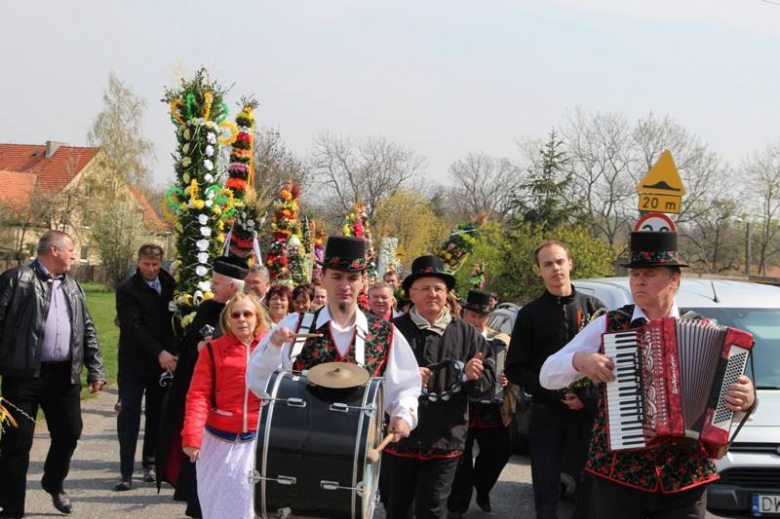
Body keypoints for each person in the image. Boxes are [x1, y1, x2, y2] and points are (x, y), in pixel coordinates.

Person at [539, 231, 756, 519]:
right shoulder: (610, 324)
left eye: (649, 274)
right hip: (620, 481)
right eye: (635, 274)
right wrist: (580, 360)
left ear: (674, 281)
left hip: (685, 484)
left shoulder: (710, 333)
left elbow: (734, 412)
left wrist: (747, 400)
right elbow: (547, 374)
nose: (638, 280)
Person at [246, 235, 422, 478]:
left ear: (364, 282)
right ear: (323, 278)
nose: (345, 285)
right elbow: (257, 383)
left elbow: (406, 385)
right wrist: (274, 347)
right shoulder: (295, 325)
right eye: (337, 277)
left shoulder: (384, 333)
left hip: (357, 460)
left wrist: (403, 414)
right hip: (297, 452)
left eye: (352, 278)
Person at [0, 230, 106, 518]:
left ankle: (53, 482)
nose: (74, 254)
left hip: (63, 378)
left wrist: (95, 368)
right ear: (54, 251)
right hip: (22, 378)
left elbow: (88, 331)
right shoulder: (17, 279)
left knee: (70, 433)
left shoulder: (73, 287)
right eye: (70, 249)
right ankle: (10, 508)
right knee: (17, 442)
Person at [384, 255, 496, 519]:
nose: (432, 294)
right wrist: (405, 379)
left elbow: (493, 382)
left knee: (432, 509)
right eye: (424, 288)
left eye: (438, 288)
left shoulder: (468, 333)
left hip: (446, 437)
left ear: (447, 294)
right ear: (411, 293)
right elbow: (373, 379)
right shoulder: (392, 330)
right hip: (398, 436)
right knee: (396, 507)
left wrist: (474, 376)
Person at [504, 240, 604, 519]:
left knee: (589, 486)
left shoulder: (595, 308)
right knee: (546, 488)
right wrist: (556, 393)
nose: (555, 268)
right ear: (539, 270)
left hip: (588, 411)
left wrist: (584, 396)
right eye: (547, 264)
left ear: (570, 263)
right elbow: (515, 368)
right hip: (547, 412)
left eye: (559, 261)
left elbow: (611, 360)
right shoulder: (530, 314)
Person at [156, 256, 248, 518]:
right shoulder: (208, 308)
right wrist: (197, 348)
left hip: (227, 406)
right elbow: (189, 346)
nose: (211, 286)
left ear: (232, 287)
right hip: (198, 396)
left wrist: (213, 349)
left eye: (216, 282)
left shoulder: (243, 314)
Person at [182, 293, 269, 519]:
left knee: (249, 509)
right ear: (227, 320)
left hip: (256, 442)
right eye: (236, 314)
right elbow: (198, 395)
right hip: (218, 443)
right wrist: (192, 437)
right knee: (216, 508)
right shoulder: (212, 350)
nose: (242, 319)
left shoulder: (271, 348)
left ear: (257, 317)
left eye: (247, 314)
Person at [114, 244, 177, 491]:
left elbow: (174, 322)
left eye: (155, 264)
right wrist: (158, 352)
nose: (151, 269)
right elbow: (133, 326)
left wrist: (173, 352)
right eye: (146, 264)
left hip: (162, 363)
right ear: (138, 262)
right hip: (134, 361)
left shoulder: (171, 286)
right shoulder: (127, 290)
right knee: (129, 414)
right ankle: (125, 471)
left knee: (156, 415)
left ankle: (149, 463)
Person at [448, 289, 514, 518]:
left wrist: (505, 378)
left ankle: (483, 488)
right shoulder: (453, 334)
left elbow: (508, 369)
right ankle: (457, 507)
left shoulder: (500, 340)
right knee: (461, 461)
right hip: (461, 407)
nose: (476, 320)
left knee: (500, 452)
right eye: (472, 315)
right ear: (464, 313)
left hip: (491, 409)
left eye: (482, 316)